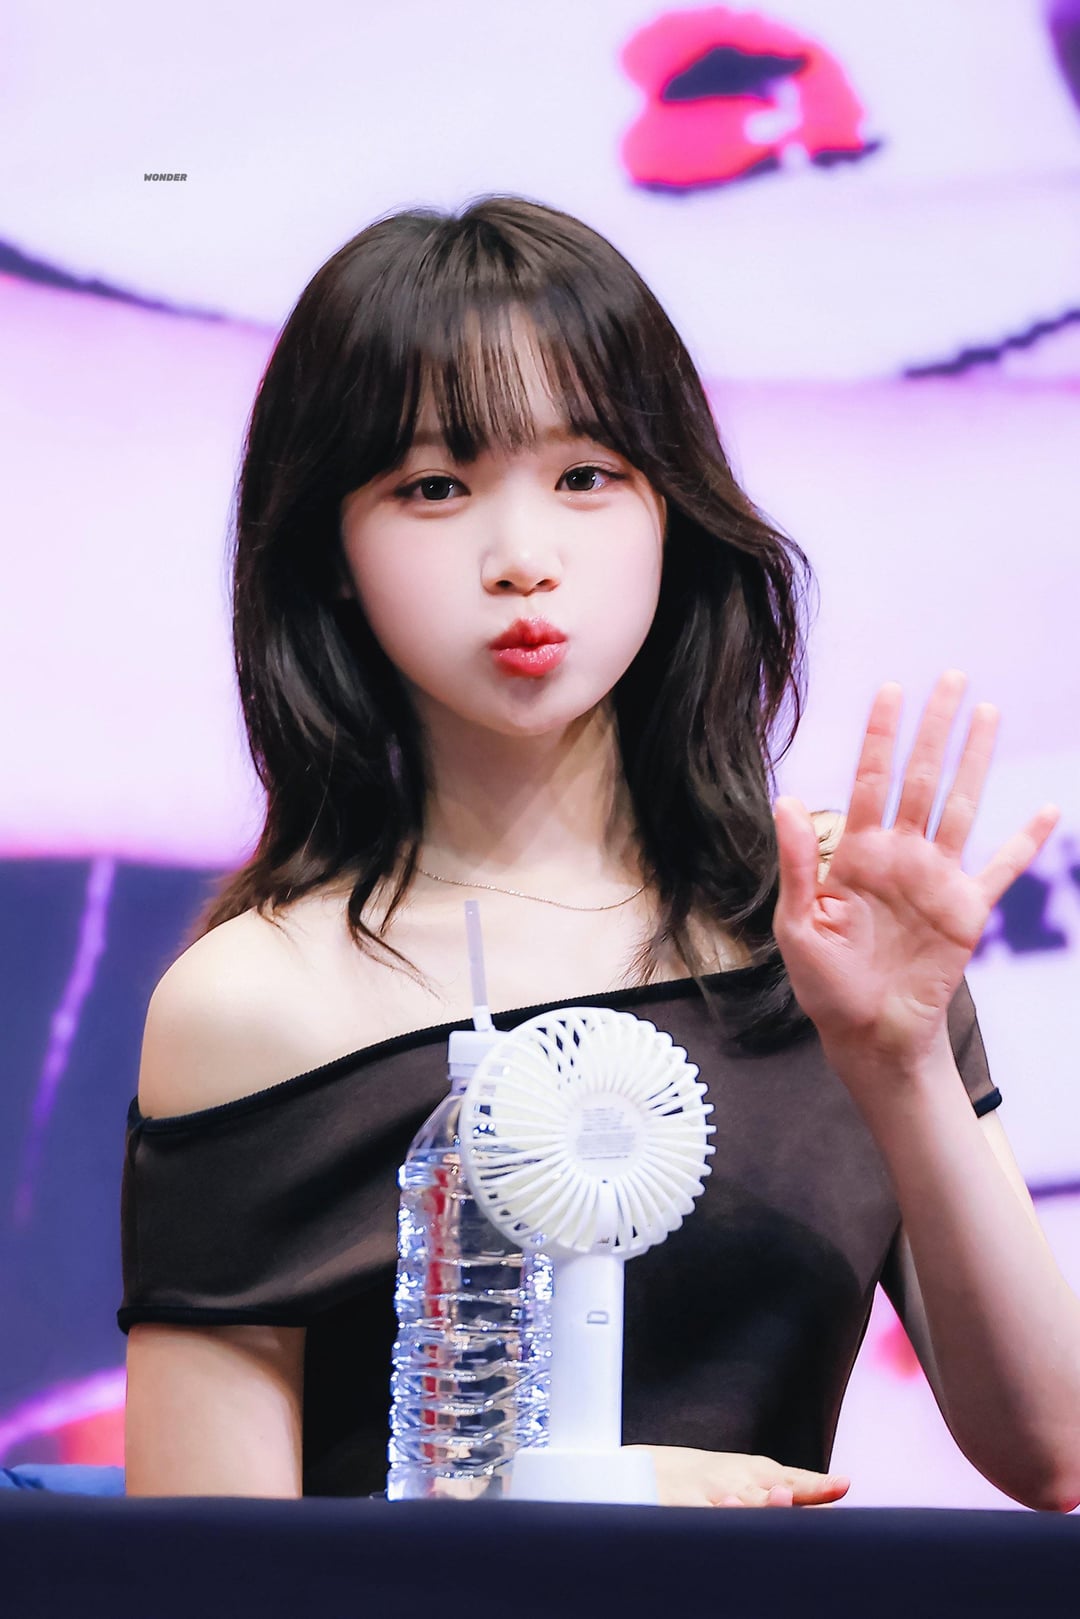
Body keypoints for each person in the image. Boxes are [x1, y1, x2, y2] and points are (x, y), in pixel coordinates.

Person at [118, 194, 1080, 1511]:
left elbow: (1053, 1451)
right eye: (434, 487)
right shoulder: (256, 1003)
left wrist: (901, 1056)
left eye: (587, 476)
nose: (524, 559)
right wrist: (582, 1509)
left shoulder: (829, 926)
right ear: (331, 551)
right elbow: (203, 1576)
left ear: (670, 510)